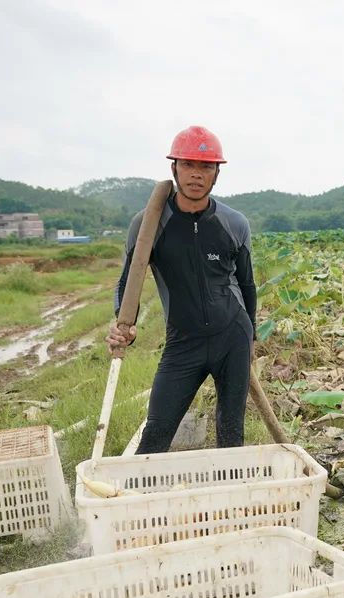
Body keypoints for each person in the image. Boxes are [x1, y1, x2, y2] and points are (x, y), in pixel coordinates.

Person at [106, 126, 257, 453]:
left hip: (232, 336)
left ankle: (231, 499)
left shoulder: (234, 224)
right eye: (188, 164)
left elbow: (247, 285)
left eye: (206, 167)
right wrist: (123, 323)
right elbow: (126, 281)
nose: (196, 175)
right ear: (174, 168)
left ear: (217, 173)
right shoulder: (147, 224)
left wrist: (251, 336)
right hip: (182, 343)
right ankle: (140, 501)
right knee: (155, 435)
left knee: (232, 435)